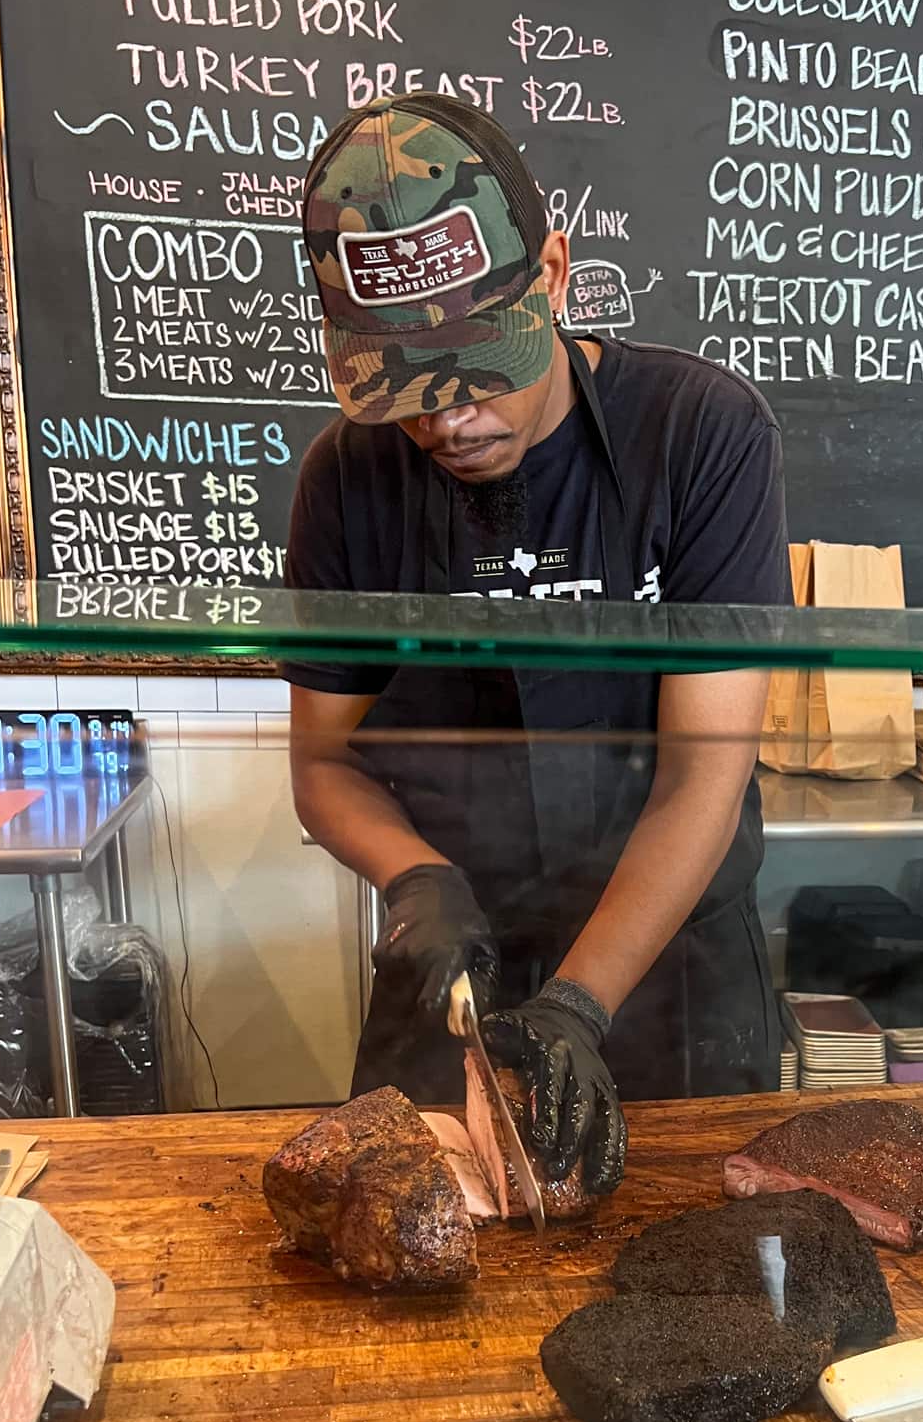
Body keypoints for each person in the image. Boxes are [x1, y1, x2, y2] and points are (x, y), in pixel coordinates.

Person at [283, 94, 787, 1195]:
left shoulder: (700, 434)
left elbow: (708, 769)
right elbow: (322, 763)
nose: (451, 422)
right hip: (453, 971)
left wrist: (576, 1002)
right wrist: (416, 879)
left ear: (554, 273)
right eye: (411, 395)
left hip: (672, 986)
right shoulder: (347, 477)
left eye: (480, 371)